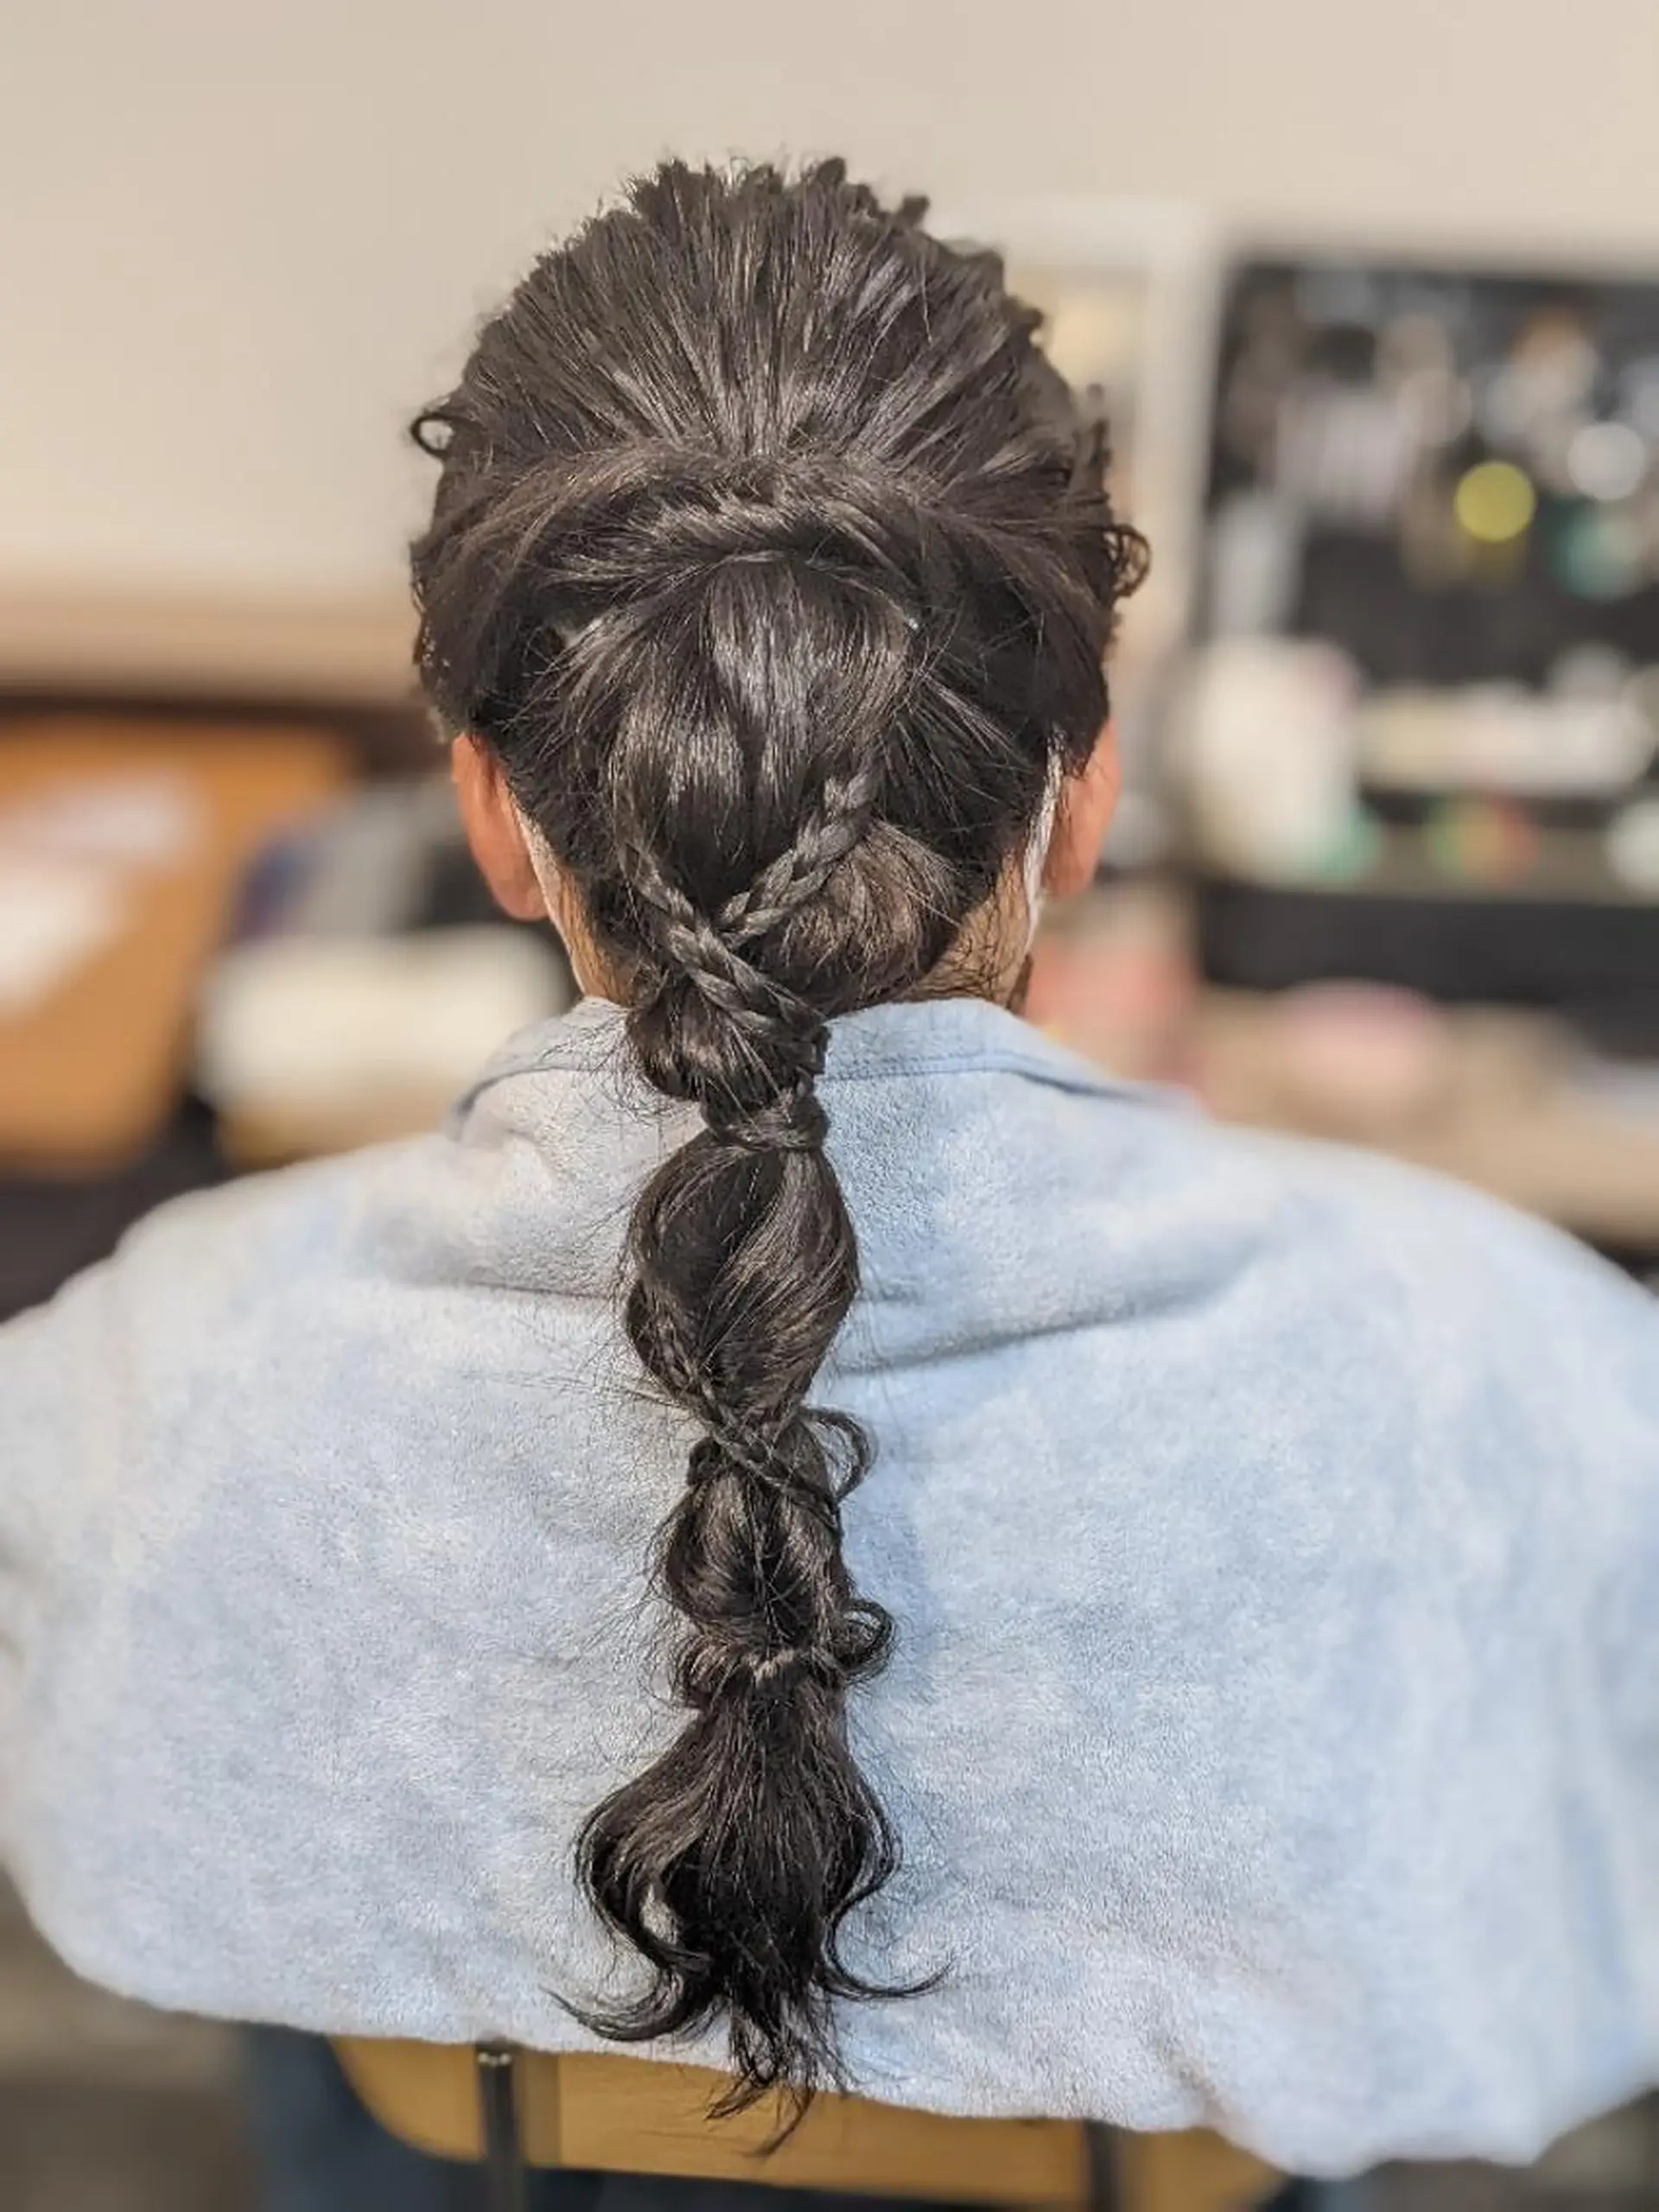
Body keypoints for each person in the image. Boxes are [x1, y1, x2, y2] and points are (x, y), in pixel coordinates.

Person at [3, 159, 1657, 2198]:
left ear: (497, 818)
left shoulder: (148, 1364)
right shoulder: (1516, 1368)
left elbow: (120, 1829)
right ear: (1088, 785)